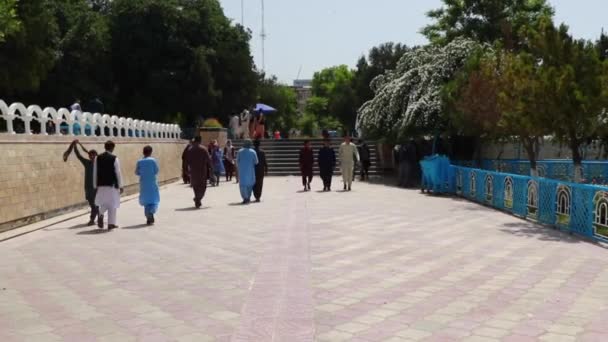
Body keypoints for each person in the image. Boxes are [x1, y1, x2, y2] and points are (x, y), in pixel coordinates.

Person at [63, 140, 98, 225]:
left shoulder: (99, 164)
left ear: (96, 156)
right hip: (88, 188)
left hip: (97, 188)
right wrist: (75, 146)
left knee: (96, 204)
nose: (92, 156)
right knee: (92, 204)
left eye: (94, 155)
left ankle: (93, 219)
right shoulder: (87, 163)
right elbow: (79, 156)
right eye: (91, 155)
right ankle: (98, 216)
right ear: (89, 156)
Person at [93, 141, 123, 229]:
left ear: (105, 147)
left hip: (101, 185)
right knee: (113, 204)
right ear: (112, 148)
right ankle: (111, 224)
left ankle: (101, 213)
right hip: (112, 184)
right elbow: (118, 172)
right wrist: (121, 185)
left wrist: (95, 185)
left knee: (104, 202)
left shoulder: (97, 158)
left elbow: (95, 172)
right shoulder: (114, 158)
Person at [135, 146, 160, 225]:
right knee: (154, 199)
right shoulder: (153, 160)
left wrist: (143, 173)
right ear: (150, 152)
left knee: (146, 201)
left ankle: (148, 216)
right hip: (152, 183)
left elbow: (136, 172)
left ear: (143, 152)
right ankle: (151, 212)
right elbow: (156, 171)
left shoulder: (139, 161)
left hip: (143, 183)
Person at [187, 136, 212, 208]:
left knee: (196, 186)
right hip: (202, 172)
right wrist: (212, 169)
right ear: (200, 141)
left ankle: (197, 199)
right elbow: (209, 160)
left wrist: (186, 170)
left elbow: (186, 161)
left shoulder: (190, 149)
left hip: (193, 171)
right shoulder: (204, 149)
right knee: (203, 187)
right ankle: (198, 199)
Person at [236, 139, 258, 204]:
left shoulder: (240, 151)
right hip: (250, 171)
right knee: (250, 185)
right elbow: (256, 162)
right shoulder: (253, 152)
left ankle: (245, 198)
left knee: (243, 186)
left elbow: (237, 161)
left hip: (242, 171)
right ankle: (248, 197)